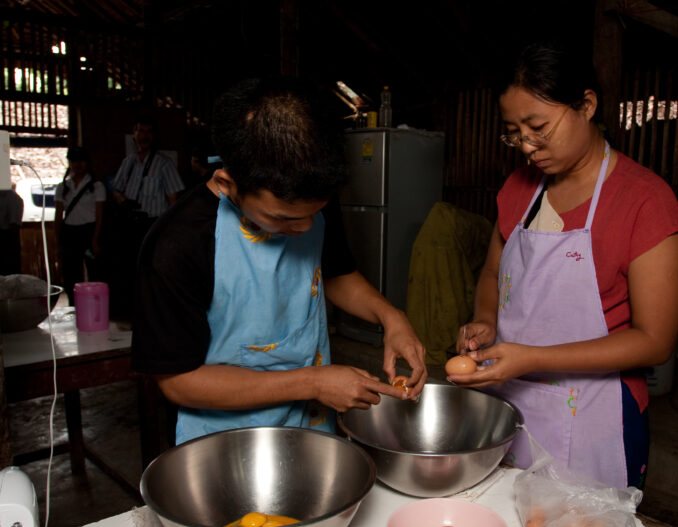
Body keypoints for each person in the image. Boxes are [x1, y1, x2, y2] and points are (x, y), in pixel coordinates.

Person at [131, 78, 428, 445]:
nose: (304, 228)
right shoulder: (177, 245)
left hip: (310, 425)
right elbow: (178, 381)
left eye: (312, 214)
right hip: (226, 440)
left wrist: (390, 317)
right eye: (283, 219)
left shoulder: (306, 192)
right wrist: (313, 381)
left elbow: (336, 273)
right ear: (227, 183)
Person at [451, 42, 678, 490]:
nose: (526, 146)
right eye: (514, 132)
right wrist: (484, 321)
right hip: (512, 403)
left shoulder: (645, 202)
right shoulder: (520, 189)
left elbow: (655, 342)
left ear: (586, 105)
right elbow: (490, 274)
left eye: (538, 128)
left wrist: (531, 358)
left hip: (596, 417)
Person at [107, 117, 184, 318]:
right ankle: (130, 313)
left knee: (151, 273)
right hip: (130, 225)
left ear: (155, 136)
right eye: (141, 131)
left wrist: (169, 232)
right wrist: (123, 200)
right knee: (128, 272)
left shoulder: (164, 164)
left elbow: (174, 199)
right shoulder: (129, 162)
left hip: (153, 225)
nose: (145, 136)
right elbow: (116, 190)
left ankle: (153, 314)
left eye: (149, 131)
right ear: (134, 135)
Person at [54, 147, 105, 304]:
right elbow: (58, 216)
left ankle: (96, 306)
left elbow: (99, 216)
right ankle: (73, 306)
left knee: (94, 273)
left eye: (81, 161)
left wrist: (95, 240)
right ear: (69, 163)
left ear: (87, 163)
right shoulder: (63, 187)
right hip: (69, 233)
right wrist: (58, 242)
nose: (78, 164)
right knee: (71, 274)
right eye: (74, 161)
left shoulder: (96, 186)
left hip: (89, 231)